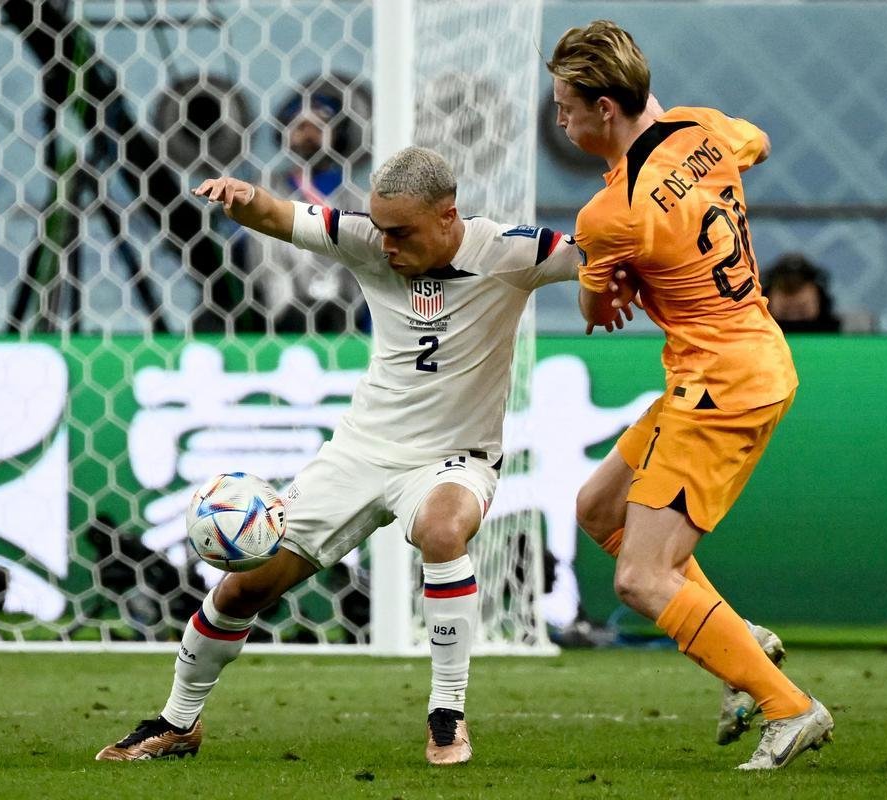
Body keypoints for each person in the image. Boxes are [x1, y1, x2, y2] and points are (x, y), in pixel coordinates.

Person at [96, 146, 580, 765]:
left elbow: (599, 256)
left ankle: (447, 714)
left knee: (440, 530)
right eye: (379, 228)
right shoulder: (368, 241)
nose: (387, 245)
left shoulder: (511, 251)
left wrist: (614, 278)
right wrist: (244, 199)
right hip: (360, 451)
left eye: (400, 232)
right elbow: (281, 217)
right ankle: (176, 722)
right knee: (246, 588)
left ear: (448, 217)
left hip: (453, 458)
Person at [546, 20, 833, 770]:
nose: (560, 121)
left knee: (641, 577)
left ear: (604, 108)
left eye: (566, 105)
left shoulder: (610, 216)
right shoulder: (701, 127)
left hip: (721, 386)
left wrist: (606, 286)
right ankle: (737, 638)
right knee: (598, 509)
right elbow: (756, 141)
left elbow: (594, 313)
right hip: (736, 360)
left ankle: (788, 706)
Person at [238, 87, 368, 333]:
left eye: (319, 126)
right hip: (285, 310)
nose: (309, 134)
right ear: (284, 135)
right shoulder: (268, 188)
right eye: (299, 126)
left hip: (345, 311)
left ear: (336, 134)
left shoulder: (355, 196)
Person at [761, 253, 842, 333]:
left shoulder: (835, 336)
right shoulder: (755, 338)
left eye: (799, 288)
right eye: (787, 288)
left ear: (820, 298)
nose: (793, 300)